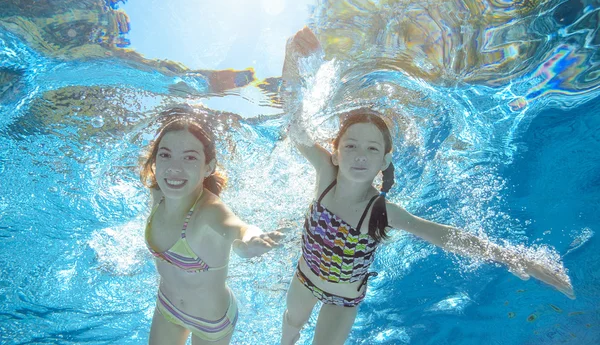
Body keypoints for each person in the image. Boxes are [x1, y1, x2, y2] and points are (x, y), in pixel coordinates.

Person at [280, 27, 575, 345]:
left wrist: (511, 256)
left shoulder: (382, 210)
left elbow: (445, 236)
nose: (360, 155)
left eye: (372, 148)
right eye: (351, 146)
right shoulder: (325, 175)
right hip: (304, 278)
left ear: (384, 162)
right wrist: (291, 59)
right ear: (335, 154)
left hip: (343, 299)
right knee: (291, 325)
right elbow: (295, 122)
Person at [140, 106, 284, 345]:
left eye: (189, 157)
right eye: (165, 155)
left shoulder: (209, 212)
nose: (174, 167)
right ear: (154, 161)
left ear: (208, 167)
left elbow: (240, 228)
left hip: (211, 323)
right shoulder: (158, 195)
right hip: (167, 307)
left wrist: (250, 243)